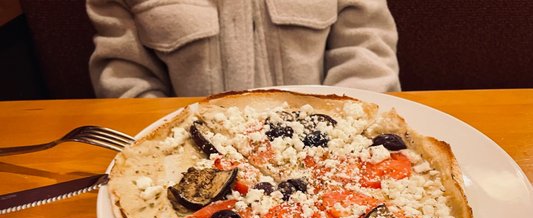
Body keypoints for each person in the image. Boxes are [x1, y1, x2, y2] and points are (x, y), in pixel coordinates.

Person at [87, 0, 401, 98]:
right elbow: (126, 82)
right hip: (193, 163)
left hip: (332, 151)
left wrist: (344, 140)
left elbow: (367, 54)